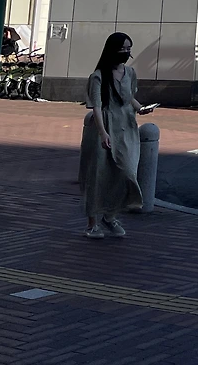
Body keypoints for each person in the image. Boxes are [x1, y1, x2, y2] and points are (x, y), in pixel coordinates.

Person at [80, 32, 149, 239]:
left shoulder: (130, 72)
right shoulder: (98, 76)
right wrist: (103, 133)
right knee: (98, 174)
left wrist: (141, 108)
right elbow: (96, 106)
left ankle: (110, 215)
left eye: (129, 48)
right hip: (104, 127)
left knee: (127, 172)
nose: (126, 52)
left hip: (126, 127)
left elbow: (129, 97)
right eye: (123, 48)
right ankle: (92, 223)